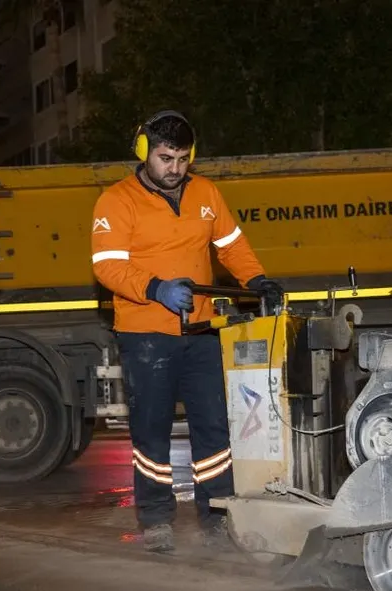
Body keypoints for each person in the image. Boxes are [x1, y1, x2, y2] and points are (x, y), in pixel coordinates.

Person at [90, 110, 284, 552]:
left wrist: (257, 281)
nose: (174, 168)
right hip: (145, 334)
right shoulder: (117, 201)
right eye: (165, 158)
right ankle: (157, 517)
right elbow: (107, 266)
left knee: (213, 426)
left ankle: (216, 513)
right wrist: (154, 289)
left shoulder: (206, 193)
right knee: (152, 429)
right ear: (144, 152)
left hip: (200, 331)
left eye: (182, 159)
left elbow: (231, 245)